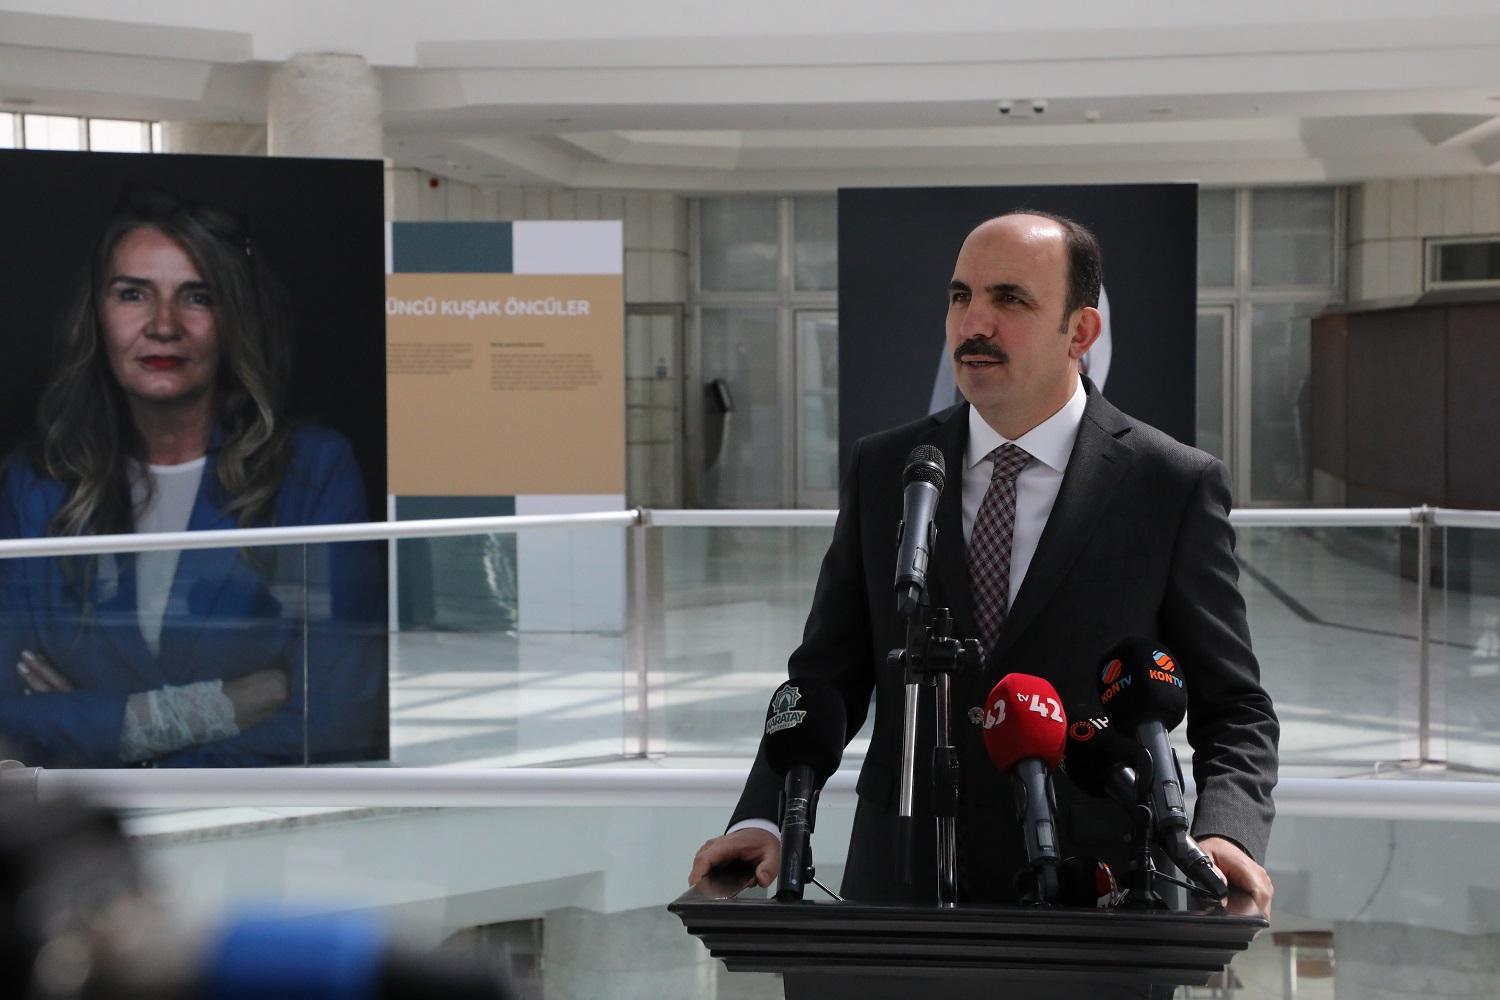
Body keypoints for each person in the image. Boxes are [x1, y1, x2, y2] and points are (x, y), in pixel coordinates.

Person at [690, 212, 1278, 918]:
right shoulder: (888, 467)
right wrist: (764, 817)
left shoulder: (1170, 482)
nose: (974, 323)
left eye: (1010, 299)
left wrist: (1225, 831)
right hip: (902, 878)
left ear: (1080, 331)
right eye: (960, 296)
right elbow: (826, 675)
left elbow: (1234, 705)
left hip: (1103, 890)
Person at [0, 187, 384, 767]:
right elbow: (6, 717)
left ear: (234, 318)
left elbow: (338, 715)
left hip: (250, 819)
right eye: (133, 294)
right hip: (86, 820)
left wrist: (102, 735)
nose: (164, 325)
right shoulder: (37, 483)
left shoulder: (311, 470)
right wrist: (199, 711)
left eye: (198, 296)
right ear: (98, 314)